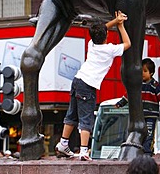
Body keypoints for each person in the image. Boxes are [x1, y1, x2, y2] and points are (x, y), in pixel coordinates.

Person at [56, 10, 131, 161]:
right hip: (88, 84)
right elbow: (128, 44)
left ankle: (63, 144)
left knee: (72, 114)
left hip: (77, 80)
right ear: (106, 36)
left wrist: (115, 21)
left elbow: (101, 29)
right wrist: (120, 25)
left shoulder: (92, 44)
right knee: (86, 118)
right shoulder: (109, 49)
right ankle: (84, 151)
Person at [115, 57, 160, 155]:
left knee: (149, 134)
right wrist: (120, 103)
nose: (142, 73)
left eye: (145, 71)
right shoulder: (137, 84)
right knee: (138, 134)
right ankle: (139, 151)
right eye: (141, 70)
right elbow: (129, 95)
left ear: (151, 73)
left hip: (151, 115)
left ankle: (148, 152)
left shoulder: (155, 84)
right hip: (139, 115)